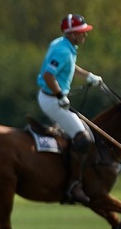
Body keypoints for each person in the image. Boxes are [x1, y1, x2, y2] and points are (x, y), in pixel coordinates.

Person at [36, 13, 105, 205]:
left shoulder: (64, 45)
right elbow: (49, 75)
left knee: (83, 133)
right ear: (71, 33)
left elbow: (70, 66)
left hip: (53, 97)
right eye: (81, 32)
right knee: (83, 139)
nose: (85, 35)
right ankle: (74, 185)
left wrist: (88, 76)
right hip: (52, 100)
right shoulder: (63, 51)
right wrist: (60, 95)